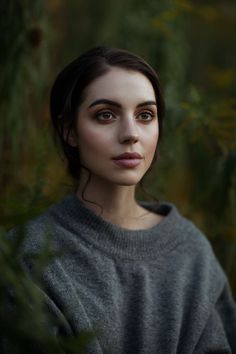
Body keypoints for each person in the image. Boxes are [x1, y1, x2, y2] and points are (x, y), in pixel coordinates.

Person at [5, 46, 236, 353]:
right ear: (69, 131)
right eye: (106, 115)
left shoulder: (192, 253)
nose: (130, 134)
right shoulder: (28, 255)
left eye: (145, 115)